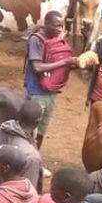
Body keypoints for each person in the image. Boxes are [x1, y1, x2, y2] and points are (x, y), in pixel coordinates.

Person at [0, 100, 44, 203]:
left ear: (18, 115)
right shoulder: (31, 156)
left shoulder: (0, 130)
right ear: (37, 122)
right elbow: (27, 195)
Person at [24, 11, 76, 147]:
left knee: (42, 130)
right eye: (56, 26)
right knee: (31, 131)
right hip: (37, 92)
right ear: (46, 24)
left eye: (62, 26)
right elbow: (37, 67)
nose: (60, 29)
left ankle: (35, 155)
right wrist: (65, 62)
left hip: (51, 92)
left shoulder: (56, 39)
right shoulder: (36, 39)